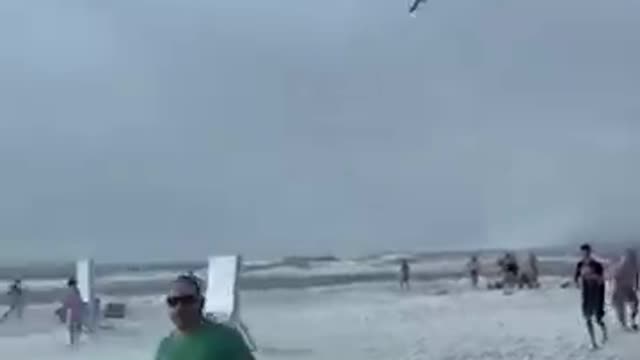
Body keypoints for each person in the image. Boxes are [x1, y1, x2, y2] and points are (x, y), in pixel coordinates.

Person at [154, 274, 255, 360]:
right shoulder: (166, 345)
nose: (179, 308)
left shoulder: (225, 338)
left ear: (201, 302)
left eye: (187, 300)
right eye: (173, 301)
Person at [574, 243, 608, 349]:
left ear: (590, 252)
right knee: (587, 318)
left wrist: (593, 277)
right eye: (583, 252)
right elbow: (576, 277)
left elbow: (602, 281)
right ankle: (593, 342)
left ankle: (604, 333)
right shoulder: (580, 264)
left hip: (596, 294)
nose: (585, 254)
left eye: (587, 252)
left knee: (598, 319)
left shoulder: (597, 265)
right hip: (587, 294)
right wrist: (578, 283)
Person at [611, 248, 639, 331]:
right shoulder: (623, 264)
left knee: (635, 303)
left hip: (629, 287)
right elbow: (616, 276)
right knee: (620, 307)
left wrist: (636, 285)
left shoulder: (635, 265)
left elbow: (637, 275)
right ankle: (624, 324)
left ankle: (632, 321)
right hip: (621, 288)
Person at [61, 278, 85, 346]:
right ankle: (76, 342)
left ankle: (73, 343)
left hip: (71, 312)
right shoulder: (76, 291)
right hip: (77, 311)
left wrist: (64, 311)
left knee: (72, 328)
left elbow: (66, 303)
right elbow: (79, 301)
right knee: (77, 327)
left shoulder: (70, 291)